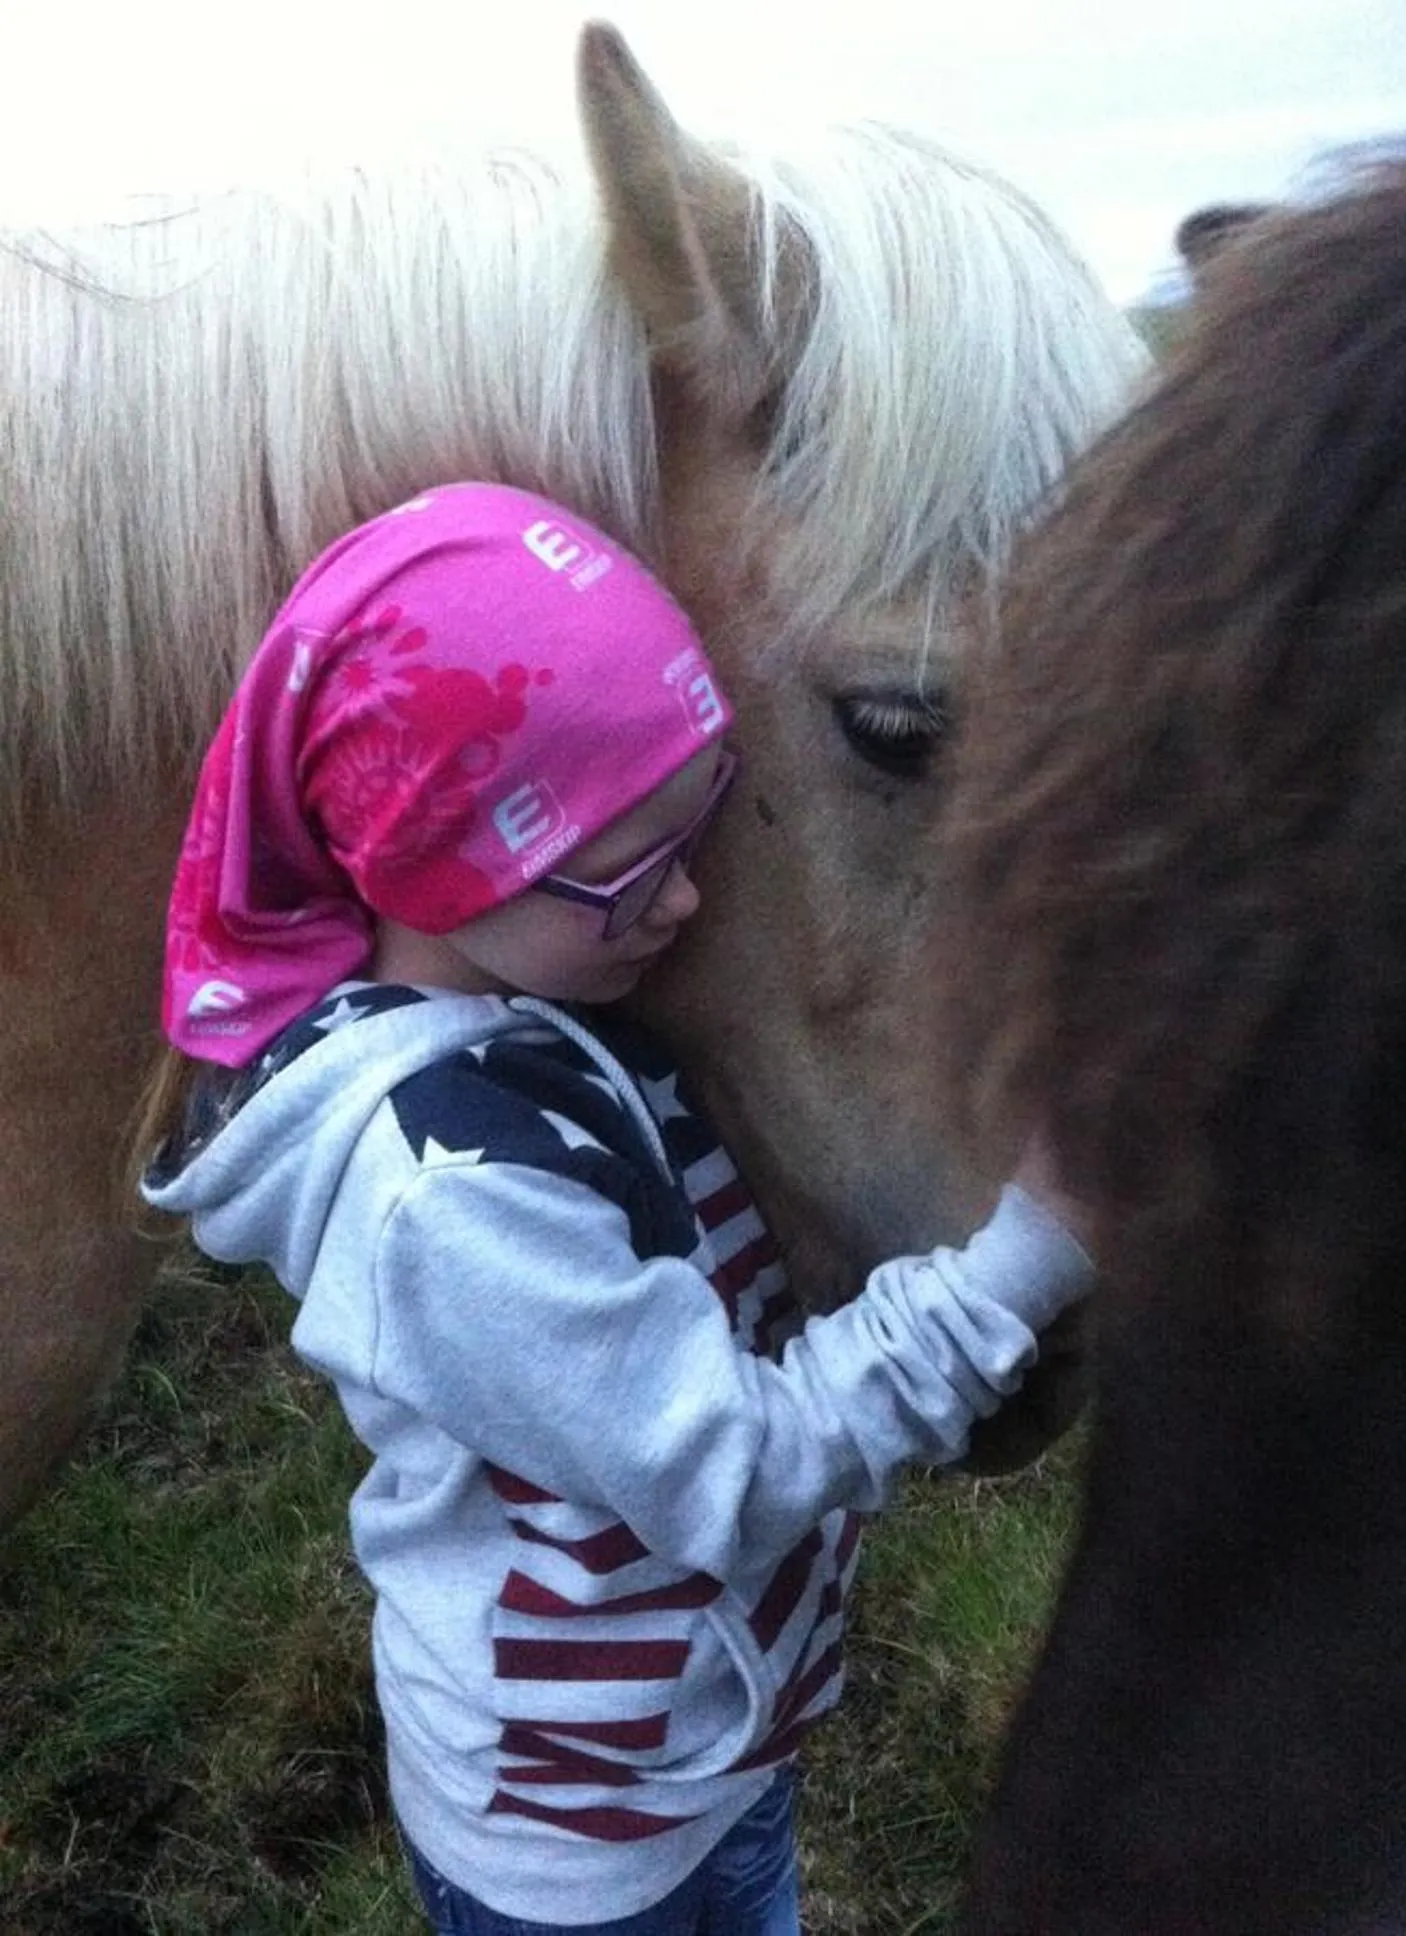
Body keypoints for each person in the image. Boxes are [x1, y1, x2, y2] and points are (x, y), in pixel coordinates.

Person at [137, 481, 1095, 1935]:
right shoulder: (450, 1203)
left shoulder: (566, 997)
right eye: (624, 870)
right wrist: (1022, 1254)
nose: (685, 905)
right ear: (433, 860)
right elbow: (733, 1467)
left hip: (703, 1757)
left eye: (696, 826)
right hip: (572, 1846)